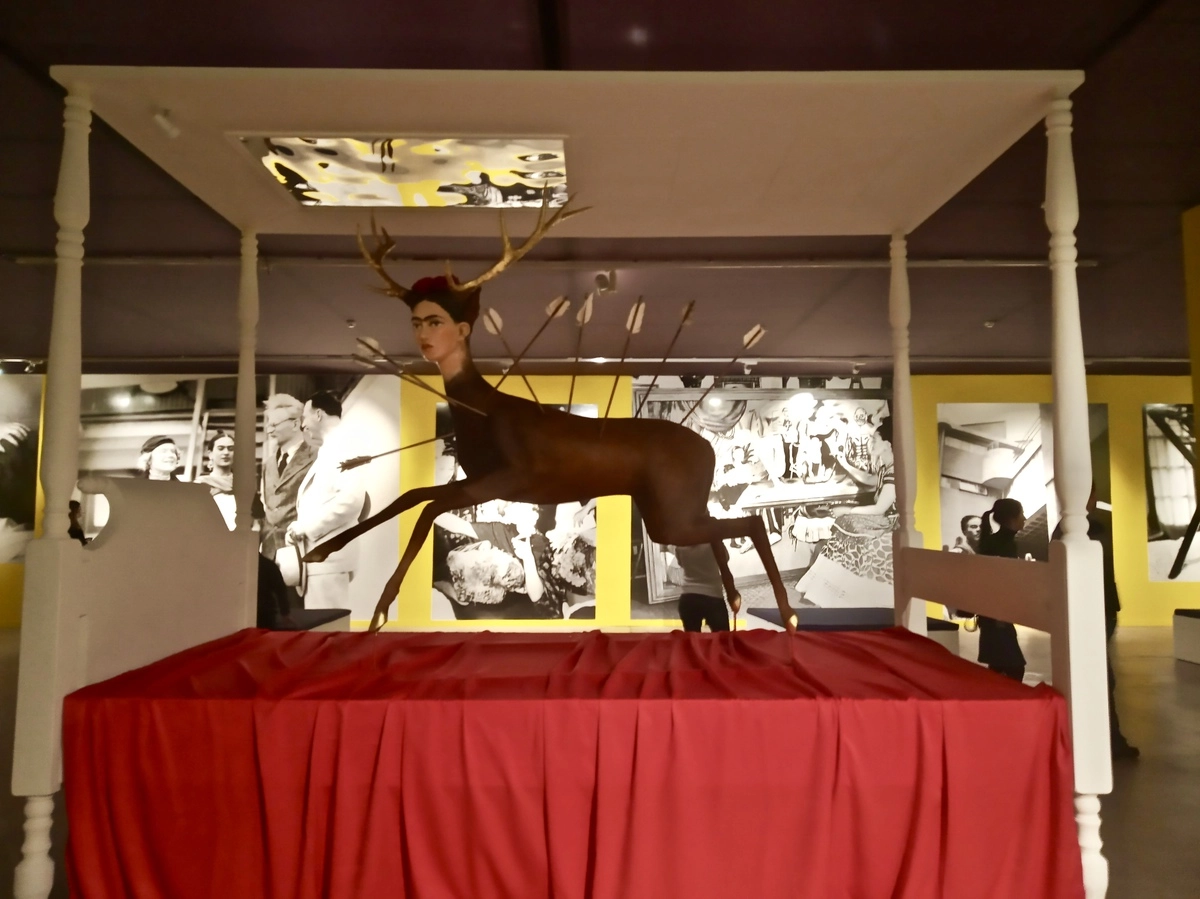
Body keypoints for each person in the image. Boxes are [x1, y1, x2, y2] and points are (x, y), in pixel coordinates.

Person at [1053, 488, 1139, 760]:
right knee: (1101, 678)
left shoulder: (1063, 530)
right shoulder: (1092, 528)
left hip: (1088, 609)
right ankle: (1108, 741)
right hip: (1094, 609)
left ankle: (1096, 739)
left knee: (1095, 676)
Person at [288, 391, 366, 609]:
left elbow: (351, 500)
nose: (303, 425)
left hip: (329, 558)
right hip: (323, 559)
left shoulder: (344, 446)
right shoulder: (332, 447)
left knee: (327, 625)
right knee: (323, 624)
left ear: (319, 414)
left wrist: (306, 527)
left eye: (305, 417)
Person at [260, 394, 317, 561]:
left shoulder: (316, 456)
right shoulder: (268, 464)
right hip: (269, 552)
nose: (269, 430)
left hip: (302, 549)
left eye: (274, 425)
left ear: (295, 424)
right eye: (268, 425)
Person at [976, 497, 1027, 682]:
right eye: (1022, 514)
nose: (1024, 518)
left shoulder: (995, 542)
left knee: (998, 665)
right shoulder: (1005, 545)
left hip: (992, 614)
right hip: (998, 616)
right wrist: (1000, 615)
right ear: (1011, 518)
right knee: (1014, 667)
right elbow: (997, 581)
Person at [671, 542, 737, 632]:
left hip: (688, 598)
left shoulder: (681, 544)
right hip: (713, 599)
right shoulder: (713, 542)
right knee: (722, 638)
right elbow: (725, 560)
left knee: (693, 638)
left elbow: (681, 563)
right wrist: (732, 594)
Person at [195, 430, 237, 530]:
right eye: (220, 448)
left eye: (231, 449)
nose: (226, 453)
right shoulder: (200, 484)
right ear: (210, 454)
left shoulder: (244, 484)